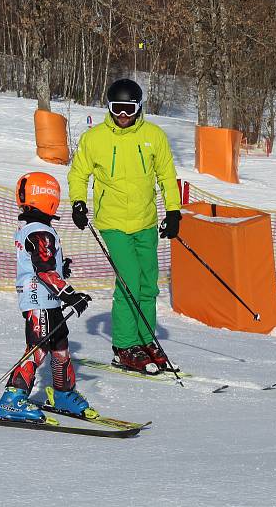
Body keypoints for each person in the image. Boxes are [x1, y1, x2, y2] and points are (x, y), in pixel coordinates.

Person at [68, 78, 181, 375]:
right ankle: (124, 345)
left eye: (128, 109)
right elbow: (78, 173)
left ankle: (146, 340)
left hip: (146, 221)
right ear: (109, 107)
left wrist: (174, 210)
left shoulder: (154, 136)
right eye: (117, 108)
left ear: (138, 107)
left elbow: (167, 176)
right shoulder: (95, 139)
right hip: (113, 222)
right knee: (129, 281)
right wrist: (78, 202)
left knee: (148, 284)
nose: (122, 114)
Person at [0, 172, 95, 422]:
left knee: (60, 344)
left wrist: (63, 268)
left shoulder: (34, 229)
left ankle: (62, 393)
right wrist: (71, 295)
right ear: (49, 199)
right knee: (38, 348)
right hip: (39, 299)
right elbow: (45, 271)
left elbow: (43, 263)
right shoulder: (40, 231)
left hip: (47, 300)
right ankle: (12, 399)